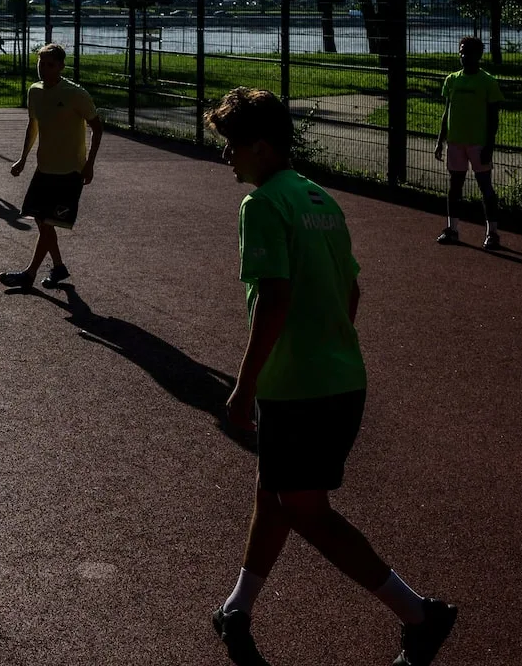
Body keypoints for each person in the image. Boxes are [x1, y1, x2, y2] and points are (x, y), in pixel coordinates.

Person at [205, 87, 457, 666]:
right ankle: (237, 608)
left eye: (233, 146)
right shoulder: (321, 199)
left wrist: (244, 386)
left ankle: (419, 614)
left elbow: (273, 299)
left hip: (299, 386)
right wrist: (330, 342)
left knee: (306, 510)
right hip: (341, 376)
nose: (228, 158)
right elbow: (351, 289)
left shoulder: (263, 204)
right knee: (276, 492)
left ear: (262, 147)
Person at [1, 43, 103, 289]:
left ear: (61, 67)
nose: (43, 69)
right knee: (41, 220)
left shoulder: (75, 94)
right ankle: (58, 267)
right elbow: (33, 125)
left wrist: (89, 165)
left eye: (50, 65)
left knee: (46, 223)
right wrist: (23, 158)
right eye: (41, 63)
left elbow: (97, 128)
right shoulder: (34, 91)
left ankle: (29, 274)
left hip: (69, 172)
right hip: (44, 168)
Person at [432, 35, 506, 250]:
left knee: (486, 187)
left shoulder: (488, 82)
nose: (464, 56)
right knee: (455, 186)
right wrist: (440, 141)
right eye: (461, 51)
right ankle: (452, 229)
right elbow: (448, 112)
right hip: (456, 143)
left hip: (478, 144)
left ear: (478, 55)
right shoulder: (452, 79)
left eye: (468, 52)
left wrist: (489, 146)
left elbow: (494, 119)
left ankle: (492, 233)